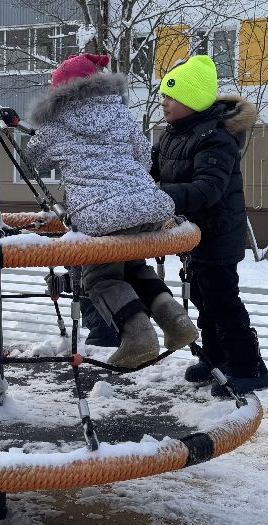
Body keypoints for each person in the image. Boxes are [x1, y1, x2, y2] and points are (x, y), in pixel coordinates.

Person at [25, 52, 200, 368]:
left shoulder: (55, 124)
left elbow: (33, 160)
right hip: (147, 205)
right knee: (132, 267)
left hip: (100, 213)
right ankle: (176, 321)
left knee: (100, 279)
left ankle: (137, 337)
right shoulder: (121, 114)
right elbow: (144, 159)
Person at [151, 54, 268, 396]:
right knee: (204, 300)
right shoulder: (173, 135)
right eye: (163, 95)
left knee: (223, 302)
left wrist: (159, 196)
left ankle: (249, 367)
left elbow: (207, 189)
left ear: (192, 100)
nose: (165, 103)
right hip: (193, 238)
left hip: (217, 235)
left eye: (172, 96)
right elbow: (153, 172)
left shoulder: (215, 138)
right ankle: (216, 358)